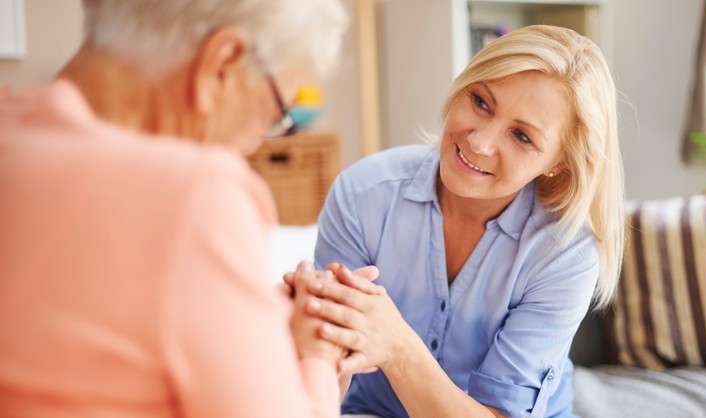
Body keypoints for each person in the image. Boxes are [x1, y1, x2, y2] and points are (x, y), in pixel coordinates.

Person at [0, 0, 359, 416]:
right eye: (277, 112)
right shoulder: (198, 195)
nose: (256, 143)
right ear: (223, 62)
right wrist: (316, 355)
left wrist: (249, 323)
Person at [297, 25, 625, 418]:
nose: (479, 142)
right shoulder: (362, 195)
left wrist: (396, 344)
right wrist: (307, 331)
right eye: (481, 102)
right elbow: (325, 371)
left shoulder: (564, 252)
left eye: (521, 136)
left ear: (558, 164)